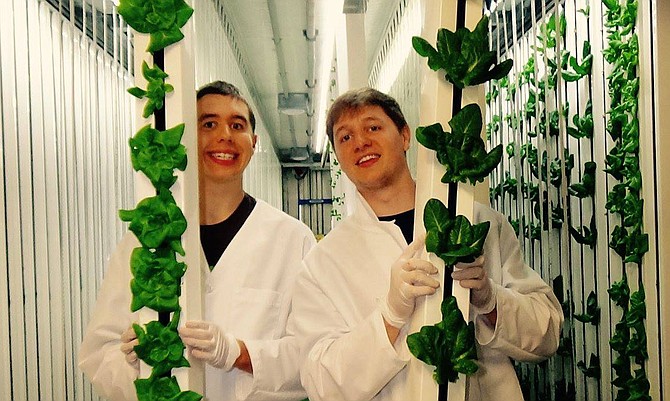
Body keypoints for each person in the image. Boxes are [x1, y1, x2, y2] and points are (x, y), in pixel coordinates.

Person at [287, 87, 563, 401]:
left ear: (405, 136)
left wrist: (490, 301)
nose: (360, 142)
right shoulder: (323, 262)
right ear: (338, 157)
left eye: (373, 127)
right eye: (345, 137)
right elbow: (321, 382)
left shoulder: (479, 224)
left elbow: (547, 334)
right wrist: (389, 317)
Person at [79, 81, 316, 401]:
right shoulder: (145, 241)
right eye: (208, 123)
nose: (224, 136)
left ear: (254, 142)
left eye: (237, 125)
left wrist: (239, 354)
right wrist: (135, 367)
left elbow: (312, 356)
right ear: (186, 137)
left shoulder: (292, 239)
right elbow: (98, 353)